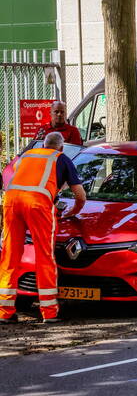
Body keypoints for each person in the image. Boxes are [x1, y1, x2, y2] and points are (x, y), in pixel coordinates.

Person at [0, 132, 87, 323]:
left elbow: (13, 175)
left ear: (43, 144)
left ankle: (5, 311)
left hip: (11, 201)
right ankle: (49, 312)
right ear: (61, 147)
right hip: (38, 204)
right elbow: (80, 195)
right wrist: (72, 211)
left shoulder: (28, 154)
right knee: (44, 255)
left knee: (10, 254)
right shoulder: (61, 158)